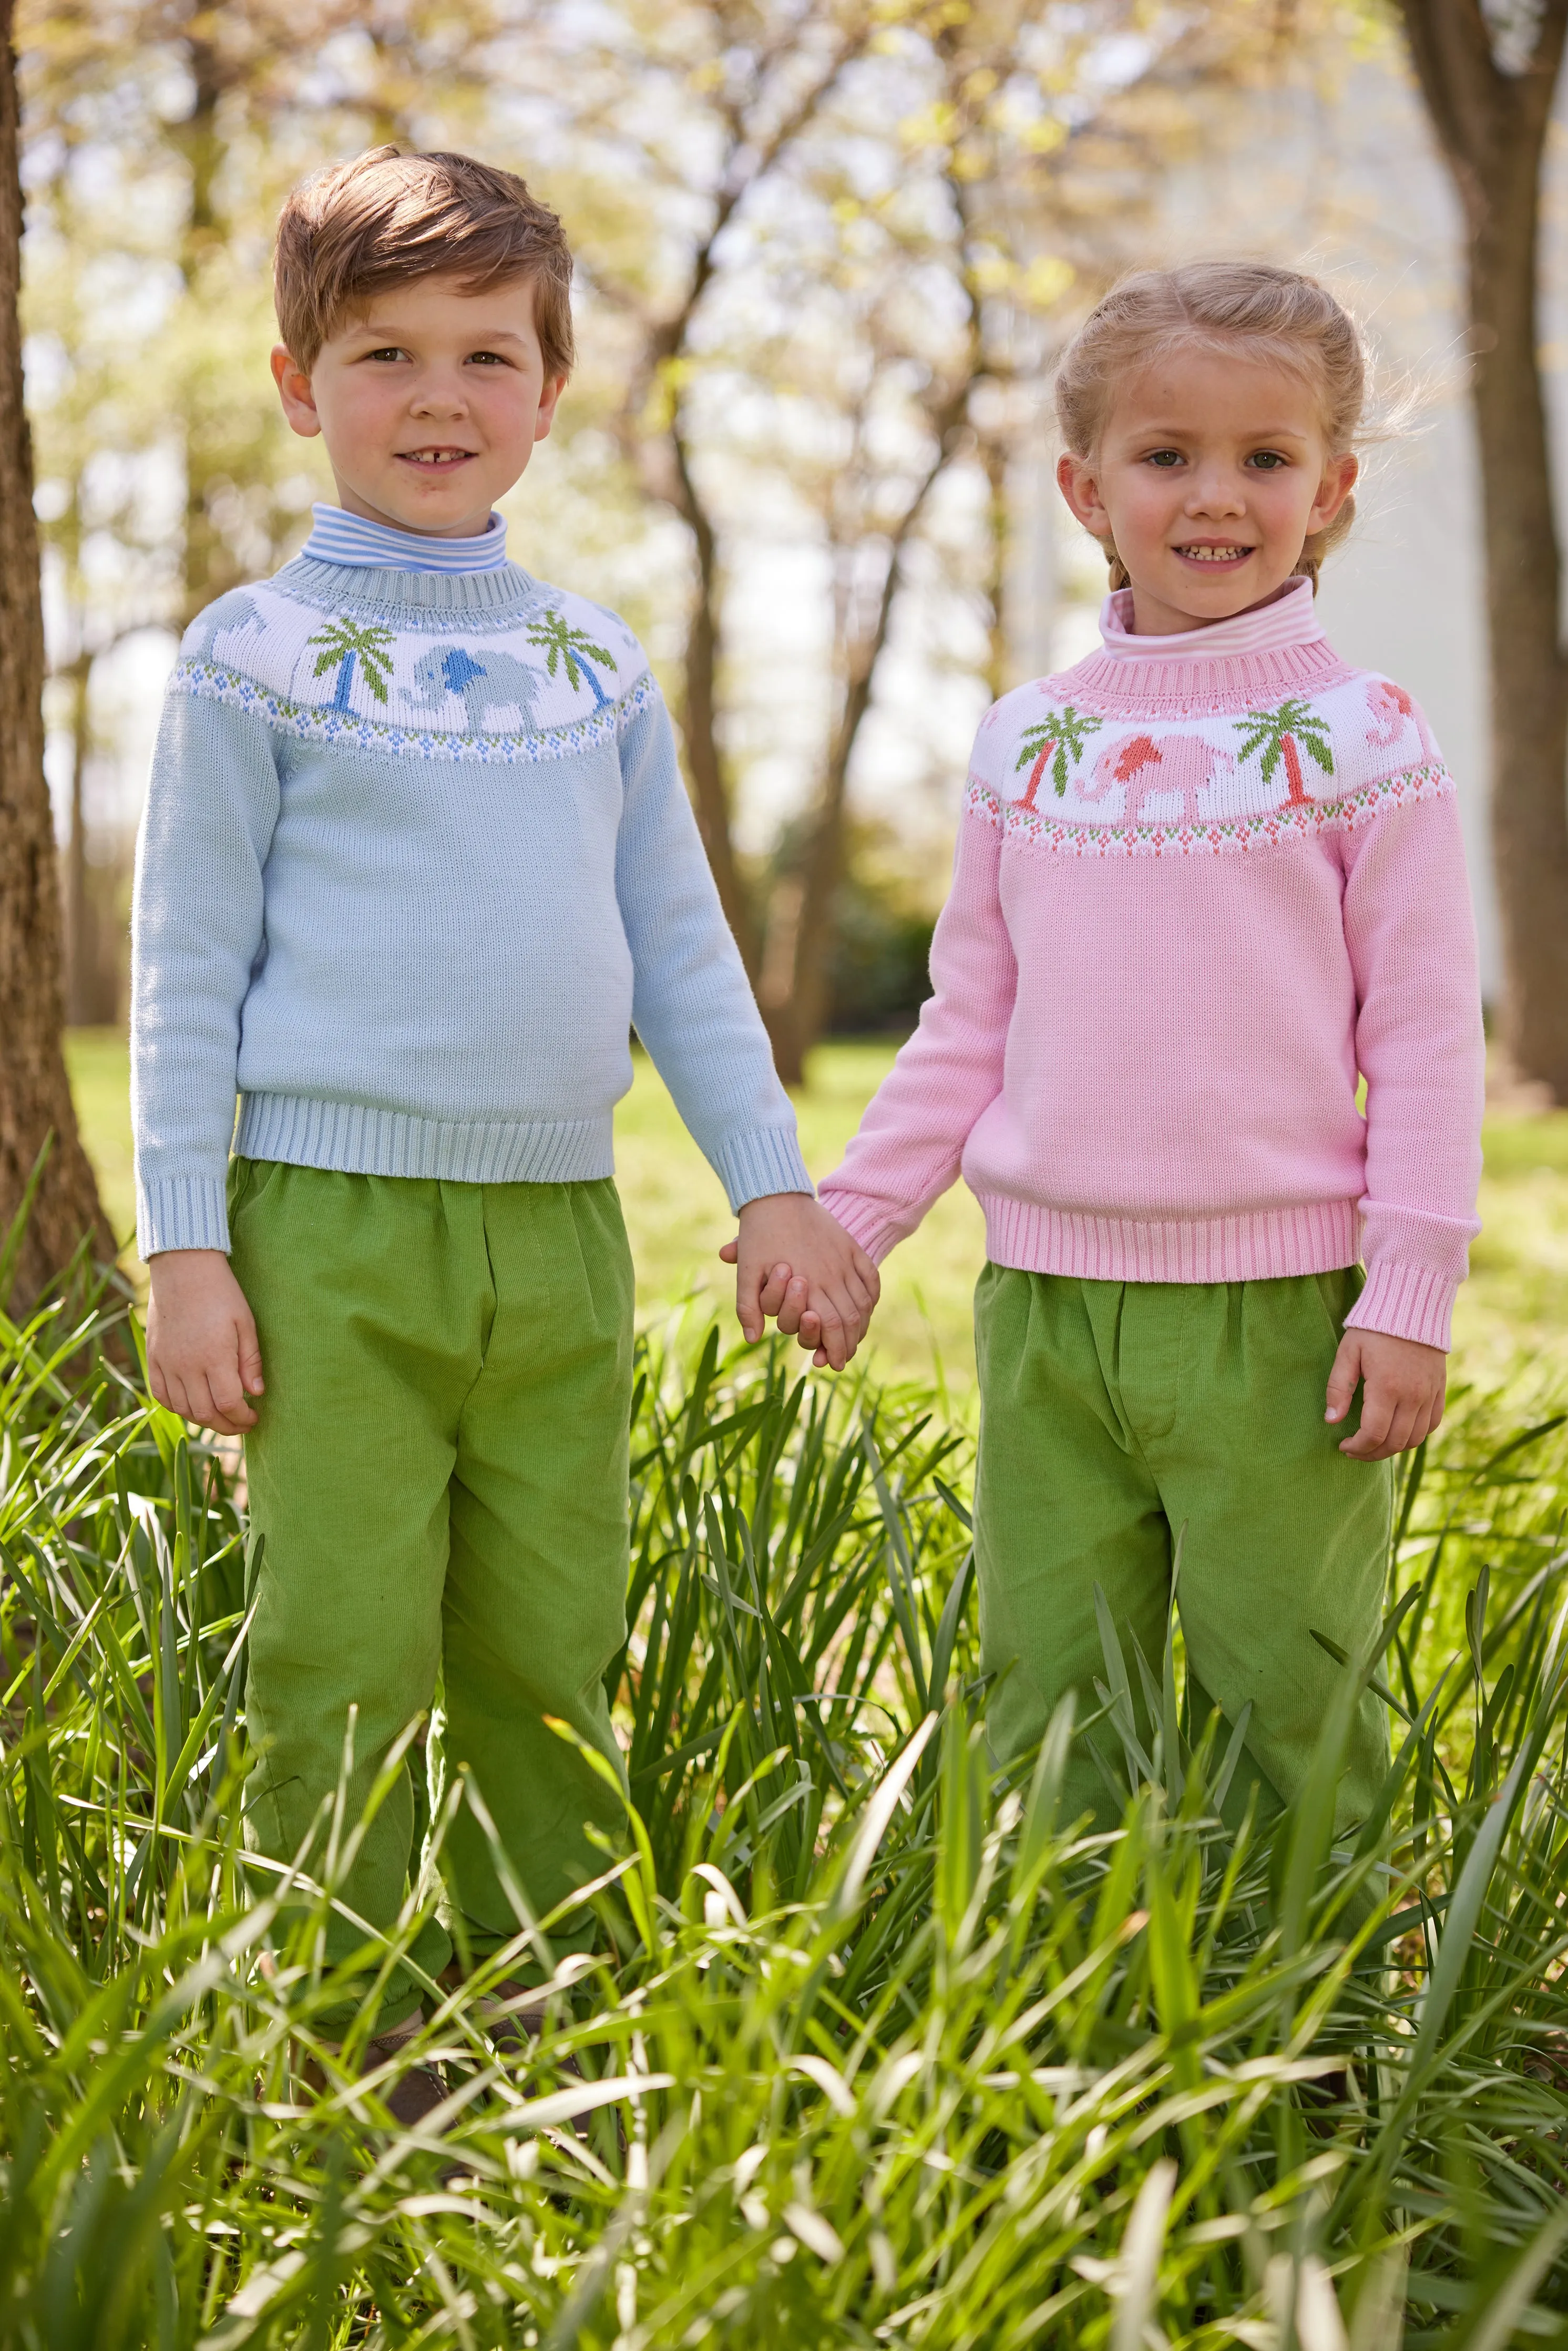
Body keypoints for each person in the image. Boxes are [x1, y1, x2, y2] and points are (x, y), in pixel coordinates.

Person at [131, 146, 878, 2111]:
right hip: (326, 1230)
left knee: (553, 1635)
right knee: (340, 1641)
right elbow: (187, 966)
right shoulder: (250, 656)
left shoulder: (592, 665)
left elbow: (684, 953)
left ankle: (564, 2006)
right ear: (302, 384)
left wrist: (777, 1188)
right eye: (384, 354)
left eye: (488, 354)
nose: (439, 398)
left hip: (556, 1238)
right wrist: (184, 1244)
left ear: (552, 392)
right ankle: (323, 2018)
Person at [814, 261, 1483, 1835]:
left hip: (1278, 1327)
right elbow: (966, 1014)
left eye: (1264, 459)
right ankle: (1067, 2004)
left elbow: (1430, 1042)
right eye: (1164, 454)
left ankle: (1310, 2042)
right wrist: (858, 1217)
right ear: (1084, 487)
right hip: (1045, 1312)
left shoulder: (1363, 736)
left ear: (1329, 488)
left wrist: (1411, 1293)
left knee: (1287, 1686)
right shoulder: (1024, 741)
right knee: (1051, 1678)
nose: (1215, 497)